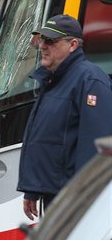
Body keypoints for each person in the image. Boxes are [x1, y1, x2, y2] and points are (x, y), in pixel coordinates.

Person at [18, 14, 112, 219]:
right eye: (42, 39)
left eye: (50, 41)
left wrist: (80, 198)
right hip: (55, 193)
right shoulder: (53, 79)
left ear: (72, 45)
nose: (43, 45)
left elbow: (97, 148)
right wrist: (33, 189)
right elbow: (46, 139)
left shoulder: (90, 80)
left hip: (73, 200)